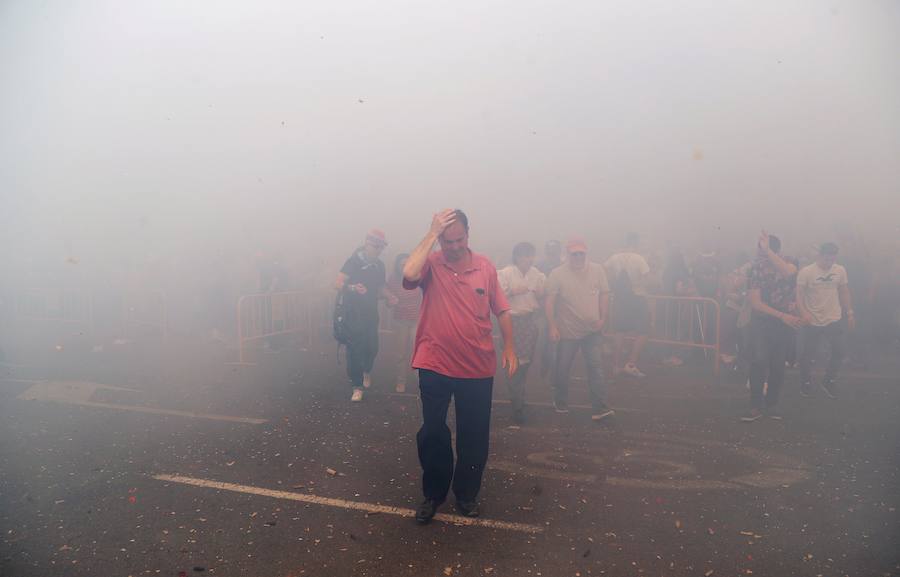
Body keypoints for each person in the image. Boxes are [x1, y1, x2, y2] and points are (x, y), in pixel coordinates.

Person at [402, 209, 516, 524]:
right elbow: (409, 274)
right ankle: (434, 494)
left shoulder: (485, 267)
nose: (452, 246)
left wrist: (509, 346)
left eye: (459, 239)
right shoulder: (431, 264)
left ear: (468, 235)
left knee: (474, 435)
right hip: (434, 361)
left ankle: (466, 494)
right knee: (433, 430)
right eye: (446, 240)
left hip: (477, 366)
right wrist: (430, 233)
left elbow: (502, 309)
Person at [545, 237, 613, 421]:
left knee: (596, 367)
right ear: (568, 255)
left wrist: (603, 318)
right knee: (563, 368)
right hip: (568, 331)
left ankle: (600, 407)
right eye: (574, 254)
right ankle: (560, 401)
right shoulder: (557, 274)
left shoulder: (597, 270)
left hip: (592, 330)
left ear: (586, 254)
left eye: (581, 253)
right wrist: (552, 326)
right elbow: (550, 302)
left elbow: (605, 294)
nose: (578, 257)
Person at [741, 231, 802, 422]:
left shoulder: (790, 261)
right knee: (759, 361)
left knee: (778, 365)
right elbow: (755, 301)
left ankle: (772, 404)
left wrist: (768, 252)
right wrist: (781, 315)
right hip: (763, 321)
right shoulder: (756, 268)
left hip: (783, 324)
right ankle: (755, 406)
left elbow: (789, 272)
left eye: (763, 251)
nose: (759, 254)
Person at [334, 229, 398, 402]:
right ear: (366, 243)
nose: (377, 249)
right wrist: (353, 288)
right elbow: (337, 282)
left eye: (380, 247)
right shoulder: (353, 261)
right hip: (352, 313)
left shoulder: (379, 265)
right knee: (355, 349)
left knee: (372, 347)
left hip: (370, 313)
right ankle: (357, 386)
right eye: (374, 245)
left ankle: (366, 371)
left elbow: (380, 287)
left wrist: (389, 296)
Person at [796, 242, 854, 399]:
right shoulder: (806, 272)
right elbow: (799, 296)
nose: (830, 262)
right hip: (812, 319)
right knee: (808, 354)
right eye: (827, 259)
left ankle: (828, 381)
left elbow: (844, 291)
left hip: (833, 318)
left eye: (832, 259)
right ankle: (806, 382)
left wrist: (849, 312)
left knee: (840, 351)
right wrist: (803, 313)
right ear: (820, 256)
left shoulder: (840, 270)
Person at [497, 242, 546, 424]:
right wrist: (512, 291)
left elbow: (542, 296)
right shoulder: (505, 273)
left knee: (525, 364)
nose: (528, 259)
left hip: (529, 320)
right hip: (510, 320)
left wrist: (540, 292)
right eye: (524, 255)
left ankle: (519, 398)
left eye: (531, 255)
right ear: (516, 257)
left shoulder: (537, 275)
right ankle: (517, 405)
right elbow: (496, 296)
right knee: (512, 362)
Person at [604, 233, 651, 378]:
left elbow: (604, 269)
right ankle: (631, 364)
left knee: (619, 331)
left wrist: (613, 283)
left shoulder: (614, 257)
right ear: (636, 243)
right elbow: (647, 278)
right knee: (643, 332)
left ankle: (616, 366)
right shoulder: (639, 258)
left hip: (620, 298)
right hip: (637, 297)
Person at [386, 253, 421, 393]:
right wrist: (391, 300)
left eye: (406, 263)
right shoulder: (393, 279)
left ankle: (420, 379)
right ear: (397, 265)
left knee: (418, 351)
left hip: (416, 320)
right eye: (401, 264)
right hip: (400, 320)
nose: (404, 266)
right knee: (400, 353)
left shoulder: (417, 276)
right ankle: (401, 381)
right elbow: (388, 301)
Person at [537, 240, 564, 380]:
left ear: (559, 252)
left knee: (557, 342)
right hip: (542, 310)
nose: (552, 255)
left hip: (561, 311)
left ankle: (554, 372)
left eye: (554, 252)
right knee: (543, 341)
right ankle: (545, 364)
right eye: (550, 252)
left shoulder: (565, 266)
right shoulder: (539, 266)